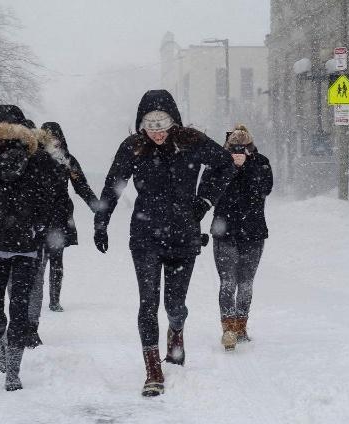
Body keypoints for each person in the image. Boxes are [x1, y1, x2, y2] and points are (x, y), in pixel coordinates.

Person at [94, 90, 234, 397]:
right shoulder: (132, 147)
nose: (156, 131)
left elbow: (225, 164)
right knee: (148, 303)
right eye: (149, 124)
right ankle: (152, 369)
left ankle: (176, 332)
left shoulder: (192, 142)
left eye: (162, 123)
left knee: (174, 304)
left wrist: (204, 202)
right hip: (145, 237)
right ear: (140, 124)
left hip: (183, 235)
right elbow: (113, 183)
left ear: (174, 121)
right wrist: (101, 222)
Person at [0, 105, 57, 391]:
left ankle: (13, 371)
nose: (2, 138)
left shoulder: (35, 157)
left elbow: (47, 194)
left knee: (20, 311)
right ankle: (1, 341)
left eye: (9, 131)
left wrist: (38, 226)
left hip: (26, 246)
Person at [24, 122, 98, 348]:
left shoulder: (66, 159)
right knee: (38, 264)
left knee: (55, 258)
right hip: (40, 217)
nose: (52, 141)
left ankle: (54, 300)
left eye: (55, 137)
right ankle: (33, 317)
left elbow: (81, 185)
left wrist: (98, 208)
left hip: (59, 216)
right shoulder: (34, 157)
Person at [202, 124, 273, 351]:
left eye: (243, 148)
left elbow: (264, 189)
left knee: (245, 283)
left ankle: (241, 325)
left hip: (253, 232)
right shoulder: (217, 163)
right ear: (227, 147)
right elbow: (206, 192)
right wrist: (230, 168)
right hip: (225, 232)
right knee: (228, 282)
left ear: (251, 148)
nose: (239, 153)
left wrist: (247, 167)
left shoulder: (260, 163)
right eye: (234, 148)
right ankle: (228, 329)